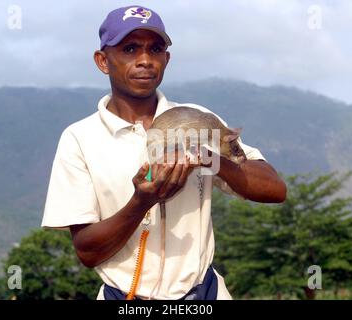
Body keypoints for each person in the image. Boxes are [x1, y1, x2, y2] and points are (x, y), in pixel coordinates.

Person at [41, 5, 287, 300]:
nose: (145, 60)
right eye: (130, 48)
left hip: (204, 295)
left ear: (166, 59)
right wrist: (142, 201)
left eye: (155, 49)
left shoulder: (198, 119)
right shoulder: (79, 139)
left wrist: (211, 160)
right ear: (103, 61)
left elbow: (275, 189)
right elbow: (87, 251)